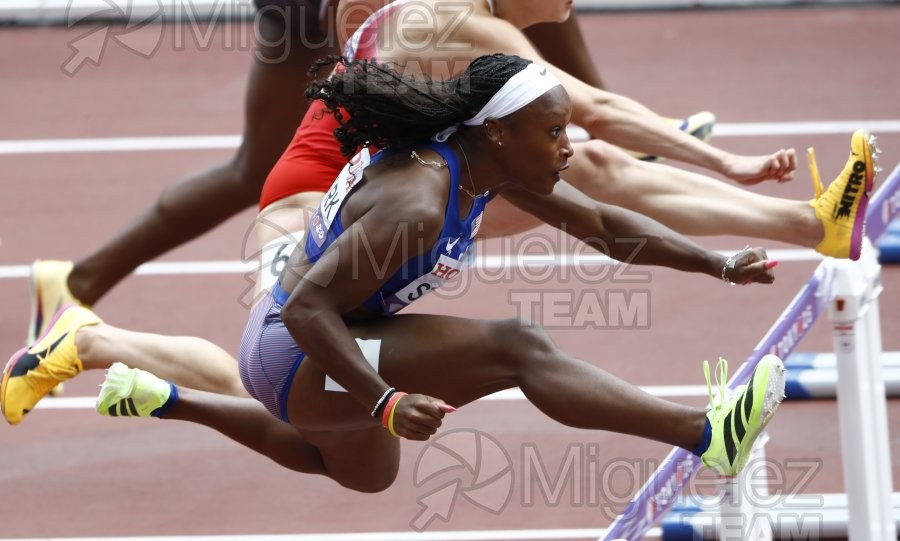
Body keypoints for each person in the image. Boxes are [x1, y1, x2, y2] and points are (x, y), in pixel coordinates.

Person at [4, 54, 785, 490]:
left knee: (357, 473)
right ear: (501, 133)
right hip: (299, 342)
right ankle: (705, 434)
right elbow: (309, 309)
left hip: (314, 344)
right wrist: (381, 399)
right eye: (553, 132)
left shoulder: (492, 167)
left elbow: (608, 225)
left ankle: (165, 395)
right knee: (518, 345)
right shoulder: (417, 202)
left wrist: (717, 263)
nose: (568, 148)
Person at [25, 0, 714, 347]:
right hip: (325, 15)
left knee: (269, 170)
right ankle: (77, 282)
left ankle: (77, 280)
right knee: (265, 170)